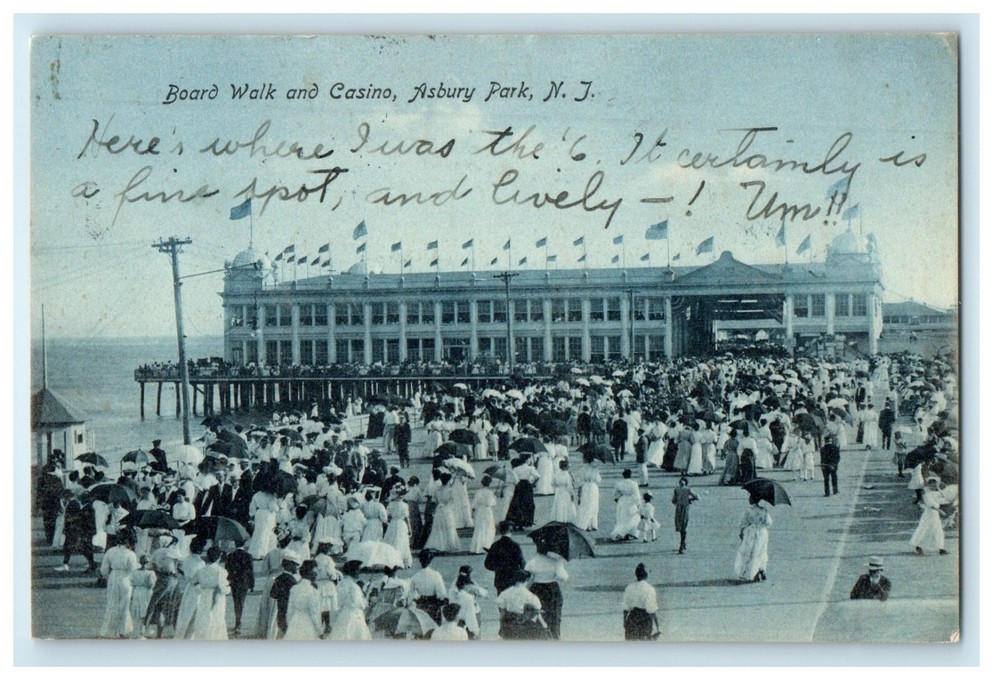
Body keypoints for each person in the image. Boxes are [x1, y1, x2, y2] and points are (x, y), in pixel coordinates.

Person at [98, 530, 139, 638]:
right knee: (124, 606)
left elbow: (104, 569)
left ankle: (106, 631)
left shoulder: (110, 551)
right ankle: (122, 631)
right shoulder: (131, 554)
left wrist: (107, 576)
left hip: (113, 577)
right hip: (126, 579)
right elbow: (133, 570)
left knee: (111, 604)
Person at [525, 544, 569, 640]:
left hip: (536, 589)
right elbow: (563, 577)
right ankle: (555, 637)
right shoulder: (556, 561)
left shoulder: (532, 562)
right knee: (554, 616)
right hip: (552, 589)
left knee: (537, 616)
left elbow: (529, 578)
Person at [190, 546, 231, 640]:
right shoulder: (221, 571)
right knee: (216, 617)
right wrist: (229, 588)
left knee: (204, 617)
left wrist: (200, 590)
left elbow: (194, 582)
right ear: (219, 558)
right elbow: (223, 588)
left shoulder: (200, 570)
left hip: (204, 595)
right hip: (216, 596)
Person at [496, 569, 549, 640]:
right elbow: (537, 614)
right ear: (527, 580)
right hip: (525, 625)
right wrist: (544, 625)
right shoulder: (530, 596)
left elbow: (502, 613)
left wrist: (502, 627)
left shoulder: (505, 593)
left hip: (509, 624)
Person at [328, 560, 371, 640]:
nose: (359, 572)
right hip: (355, 616)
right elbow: (360, 604)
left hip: (343, 615)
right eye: (358, 570)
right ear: (353, 571)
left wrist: (333, 621)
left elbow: (336, 603)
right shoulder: (354, 586)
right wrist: (365, 597)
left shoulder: (340, 584)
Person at [735, 494, 772, 582]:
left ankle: (752, 573)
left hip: (750, 533)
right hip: (762, 533)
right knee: (760, 551)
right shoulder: (764, 510)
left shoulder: (748, 510)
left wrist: (741, 532)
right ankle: (761, 569)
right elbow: (768, 523)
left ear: (752, 499)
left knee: (750, 552)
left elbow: (744, 522)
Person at [284, 559, 324, 640]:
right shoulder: (313, 591)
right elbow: (314, 614)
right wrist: (320, 631)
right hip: (308, 625)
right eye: (315, 572)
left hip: (294, 622)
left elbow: (289, 611)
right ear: (310, 573)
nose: (317, 575)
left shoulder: (294, 588)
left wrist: (290, 625)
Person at [222, 539, 254, 637]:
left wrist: (227, 581)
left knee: (236, 602)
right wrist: (252, 584)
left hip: (234, 582)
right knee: (241, 602)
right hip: (244, 583)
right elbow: (251, 572)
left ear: (235, 544)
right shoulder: (248, 556)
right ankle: (238, 623)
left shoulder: (230, 555)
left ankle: (237, 622)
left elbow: (227, 570)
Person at [268, 549, 303, 639]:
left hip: (281, 612)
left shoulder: (279, 578)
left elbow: (273, 594)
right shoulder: (291, 581)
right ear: (289, 565)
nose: (297, 567)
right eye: (295, 565)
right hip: (289, 613)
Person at [484, 521, 525, 595]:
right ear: (510, 531)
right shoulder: (515, 545)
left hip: (500, 579)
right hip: (513, 579)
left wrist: (499, 568)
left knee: (501, 601)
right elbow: (522, 563)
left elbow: (487, 564)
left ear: (500, 531)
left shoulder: (495, 545)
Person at [910, 476, 949, 556]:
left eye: (935, 485)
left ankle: (940, 548)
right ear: (928, 485)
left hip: (935, 515)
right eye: (932, 485)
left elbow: (945, 497)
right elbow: (930, 505)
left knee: (938, 531)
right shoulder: (926, 494)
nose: (934, 487)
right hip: (929, 514)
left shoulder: (936, 493)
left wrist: (938, 489)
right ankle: (918, 546)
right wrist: (940, 510)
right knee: (925, 529)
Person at [622, 563, 660, 640]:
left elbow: (625, 608)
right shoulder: (650, 589)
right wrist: (658, 627)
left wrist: (625, 622)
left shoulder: (629, 587)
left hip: (632, 618)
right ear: (646, 575)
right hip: (645, 620)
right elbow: (652, 610)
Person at [409, 549, 449, 623]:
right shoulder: (436, 575)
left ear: (420, 561)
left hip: (421, 605)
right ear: (430, 561)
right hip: (433, 606)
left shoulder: (415, 577)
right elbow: (442, 594)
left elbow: (410, 595)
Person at [505, 456, 538, 531]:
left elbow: (513, 478)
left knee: (518, 504)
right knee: (528, 503)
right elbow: (537, 476)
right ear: (526, 460)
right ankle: (525, 522)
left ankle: (517, 522)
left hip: (519, 486)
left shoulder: (516, 469)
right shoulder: (530, 468)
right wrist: (532, 483)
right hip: (527, 485)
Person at [611, 469, 642, 541]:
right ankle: (632, 532)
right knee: (632, 517)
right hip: (631, 501)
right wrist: (638, 504)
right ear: (630, 475)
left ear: (623, 475)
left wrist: (617, 498)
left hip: (622, 500)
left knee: (621, 517)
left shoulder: (619, 483)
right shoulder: (634, 483)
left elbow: (615, 493)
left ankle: (621, 533)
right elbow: (637, 495)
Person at [469, 476, 498, 554]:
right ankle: (486, 545)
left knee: (479, 528)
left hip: (480, 511)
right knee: (488, 528)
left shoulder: (478, 492)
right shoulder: (490, 493)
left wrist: (472, 512)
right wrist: (495, 497)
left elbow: (474, 504)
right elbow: (492, 503)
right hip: (487, 511)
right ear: (489, 484)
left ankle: (477, 547)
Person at [671, 477, 699, 554]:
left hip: (678, 509)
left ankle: (682, 543)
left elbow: (673, 501)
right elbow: (697, 497)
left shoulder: (676, 490)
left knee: (680, 527)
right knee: (684, 526)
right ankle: (682, 544)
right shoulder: (688, 489)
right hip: (685, 509)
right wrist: (689, 499)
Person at [575, 458, 602, 531]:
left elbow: (579, 480)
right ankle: (592, 523)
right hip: (593, 487)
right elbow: (598, 480)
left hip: (585, 487)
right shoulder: (596, 469)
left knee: (585, 504)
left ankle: (585, 523)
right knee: (593, 505)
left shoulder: (582, 469)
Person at [550, 459, 577, 524]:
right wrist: (572, 494)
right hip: (565, 491)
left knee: (558, 504)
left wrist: (558, 486)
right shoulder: (567, 475)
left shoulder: (556, 474)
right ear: (566, 467)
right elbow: (569, 486)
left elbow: (552, 483)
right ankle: (565, 518)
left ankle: (558, 518)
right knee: (566, 504)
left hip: (559, 491)